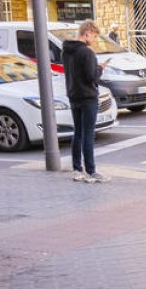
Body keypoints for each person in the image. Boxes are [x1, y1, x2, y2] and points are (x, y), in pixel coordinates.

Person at [62, 20, 109, 183]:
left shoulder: (66, 51)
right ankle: (91, 171)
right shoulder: (87, 52)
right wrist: (100, 68)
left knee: (78, 133)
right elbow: (91, 76)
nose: (94, 40)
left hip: (73, 95)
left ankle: (77, 169)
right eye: (94, 36)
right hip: (88, 97)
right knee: (88, 134)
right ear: (87, 33)